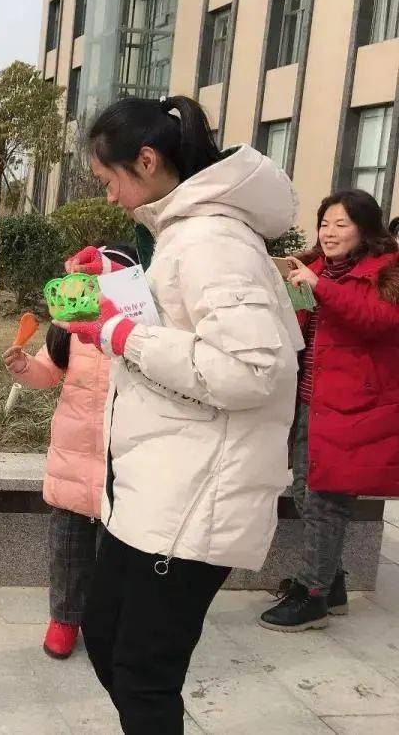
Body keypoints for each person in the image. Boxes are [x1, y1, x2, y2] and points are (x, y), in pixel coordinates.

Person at [57, 95, 302, 734]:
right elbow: (180, 323)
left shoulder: (214, 239)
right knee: (107, 638)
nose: (109, 197)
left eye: (109, 181)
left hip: (195, 498)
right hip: (157, 484)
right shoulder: (187, 233)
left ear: (147, 160)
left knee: (142, 673)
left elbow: (252, 368)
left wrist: (118, 335)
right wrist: (115, 278)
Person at [259, 190, 399, 631]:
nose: (330, 232)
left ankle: (314, 594)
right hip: (310, 401)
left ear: (365, 229)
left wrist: (321, 288)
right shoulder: (311, 270)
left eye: (342, 223)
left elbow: (375, 320)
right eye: (325, 223)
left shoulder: (386, 272)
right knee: (305, 490)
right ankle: (330, 581)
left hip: (353, 407)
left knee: (325, 500)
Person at [3, 244, 138, 661]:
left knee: (117, 554)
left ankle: (109, 622)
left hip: (125, 461)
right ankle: (63, 618)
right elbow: (48, 374)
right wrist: (23, 366)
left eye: (103, 280)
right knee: (67, 548)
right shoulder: (67, 326)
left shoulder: (141, 329)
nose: (93, 290)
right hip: (73, 456)